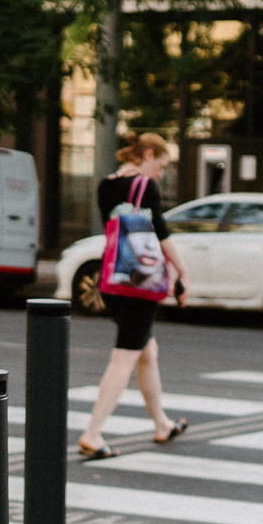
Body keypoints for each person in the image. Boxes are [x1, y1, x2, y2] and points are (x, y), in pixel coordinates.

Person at [77, 134, 190, 459]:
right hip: (141, 283)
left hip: (113, 278)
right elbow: (161, 233)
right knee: (123, 358)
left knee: (146, 351)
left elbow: (112, 227)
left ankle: (161, 424)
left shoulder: (105, 185)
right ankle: (93, 433)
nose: (160, 174)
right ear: (148, 154)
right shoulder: (145, 186)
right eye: (161, 165)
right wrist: (182, 272)